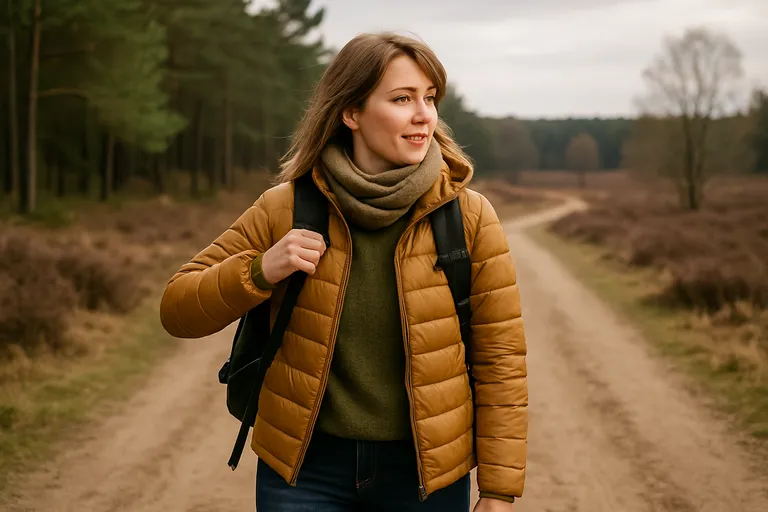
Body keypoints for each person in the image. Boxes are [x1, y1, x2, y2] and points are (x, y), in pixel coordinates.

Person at [160, 32, 528, 512]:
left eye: (430, 98)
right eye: (402, 99)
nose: (424, 115)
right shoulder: (285, 207)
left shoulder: (469, 217)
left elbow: (501, 362)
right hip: (305, 472)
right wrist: (259, 270)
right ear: (350, 113)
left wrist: (499, 491)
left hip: (426, 477)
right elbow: (177, 309)